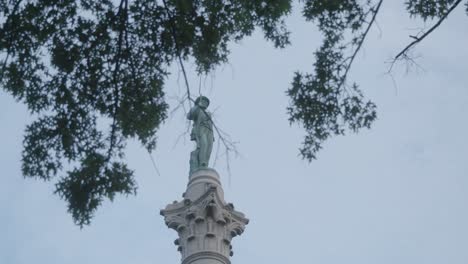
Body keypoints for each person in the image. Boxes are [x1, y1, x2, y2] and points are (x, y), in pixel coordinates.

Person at [187, 96, 214, 173]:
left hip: (209, 131)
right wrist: (197, 106)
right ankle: (202, 164)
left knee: (209, 148)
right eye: (204, 102)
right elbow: (189, 116)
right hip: (201, 129)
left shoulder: (208, 113)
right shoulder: (197, 110)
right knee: (204, 145)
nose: (205, 104)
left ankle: (205, 164)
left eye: (206, 103)